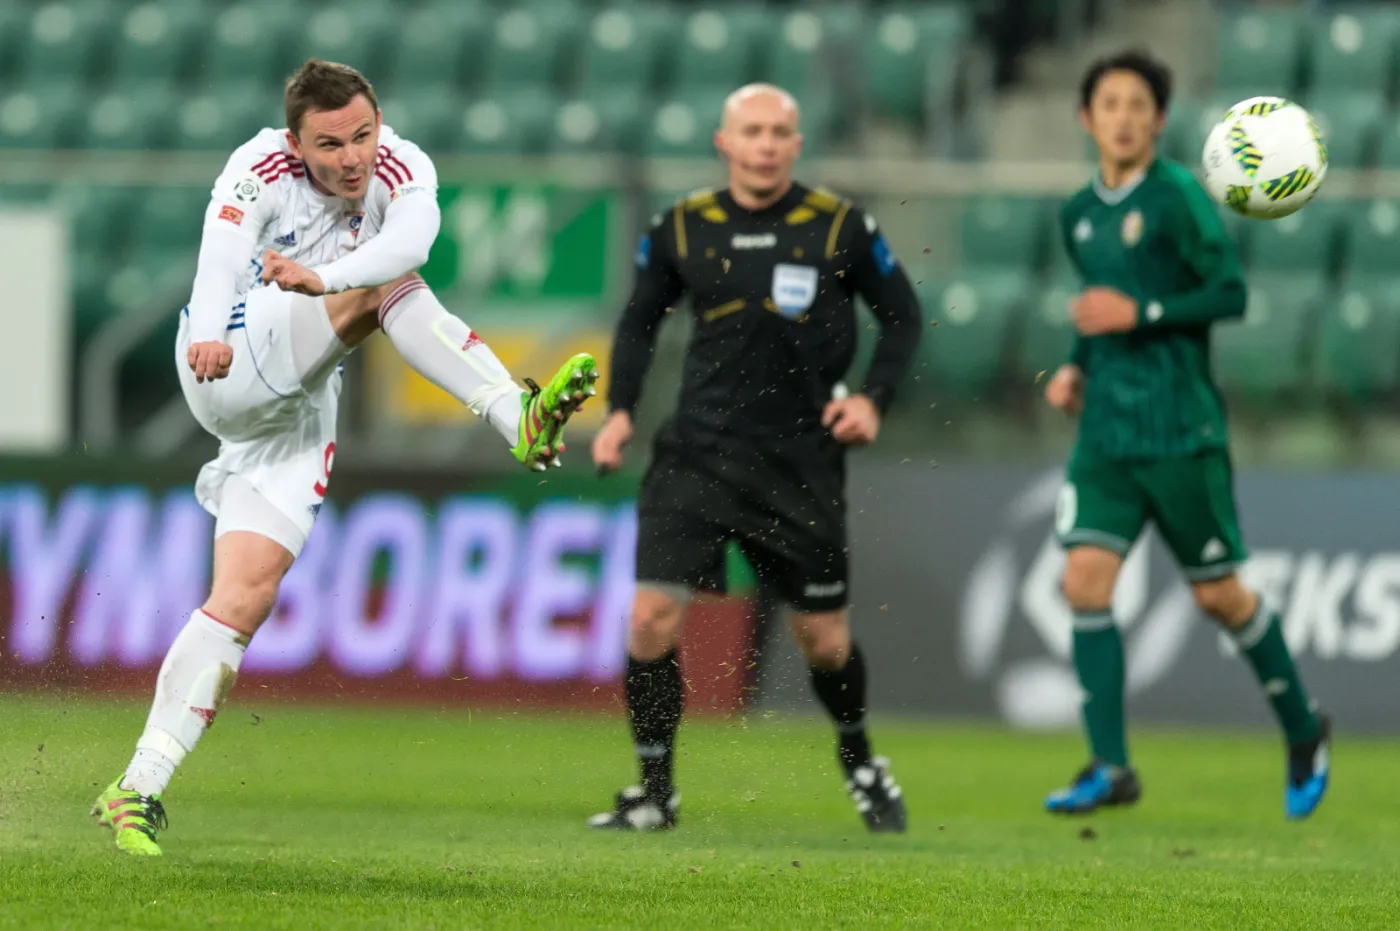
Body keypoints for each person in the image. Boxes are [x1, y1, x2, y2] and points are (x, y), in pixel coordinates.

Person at [91, 59, 597, 856]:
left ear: (379, 122)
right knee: (384, 290)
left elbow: (412, 239)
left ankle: (136, 786)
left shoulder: (403, 165)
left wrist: (321, 275)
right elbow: (220, 252)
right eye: (330, 144)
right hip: (230, 356)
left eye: (362, 134)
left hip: (296, 406)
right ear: (296, 143)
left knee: (243, 599)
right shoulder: (259, 168)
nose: (352, 157)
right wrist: (209, 332)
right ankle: (516, 417)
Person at [588, 83, 923, 833]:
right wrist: (619, 412)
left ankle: (860, 758)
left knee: (824, 641)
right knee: (649, 618)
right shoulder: (682, 226)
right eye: (753, 131)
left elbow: (902, 316)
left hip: (799, 461)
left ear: (797, 144)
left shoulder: (840, 226)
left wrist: (873, 398)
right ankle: (655, 792)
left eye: (779, 132)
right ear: (725, 143)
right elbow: (639, 322)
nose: (766, 145)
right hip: (697, 453)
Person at [1043, 49, 1330, 819]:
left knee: (1219, 597)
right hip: (1105, 435)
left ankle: (1304, 729)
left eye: (1139, 105)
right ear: (1087, 118)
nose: (1124, 117)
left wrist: (1143, 315)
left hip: (1179, 430)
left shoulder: (1177, 198)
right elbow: (1099, 303)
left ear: (1160, 120)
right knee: (1083, 582)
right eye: (1111, 104)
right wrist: (1074, 366)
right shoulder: (1077, 212)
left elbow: (1230, 293)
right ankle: (1111, 767)